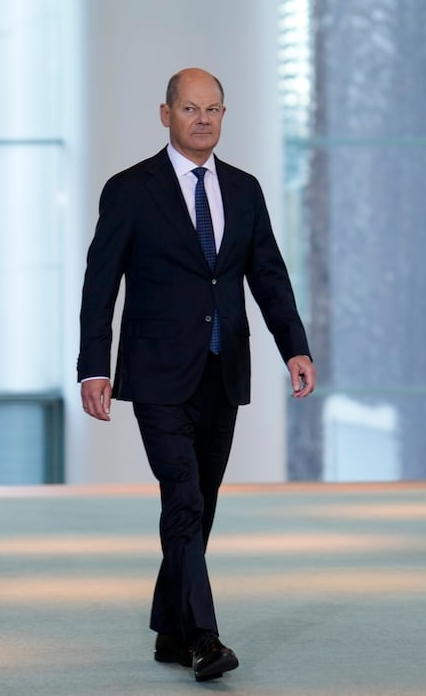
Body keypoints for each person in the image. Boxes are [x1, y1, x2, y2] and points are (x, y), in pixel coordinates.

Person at [77, 67, 315, 683]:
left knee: (200, 506)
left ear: (223, 115)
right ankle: (205, 639)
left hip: (222, 370)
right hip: (156, 374)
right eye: (190, 108)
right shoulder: (130, 189)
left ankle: (170, 629)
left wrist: (294, 346)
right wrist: (92, 368)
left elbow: (269, 274)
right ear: (166, 114)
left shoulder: (245, 189)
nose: (203, 118)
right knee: (181, 497)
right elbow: (100, 284)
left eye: (213, 109)